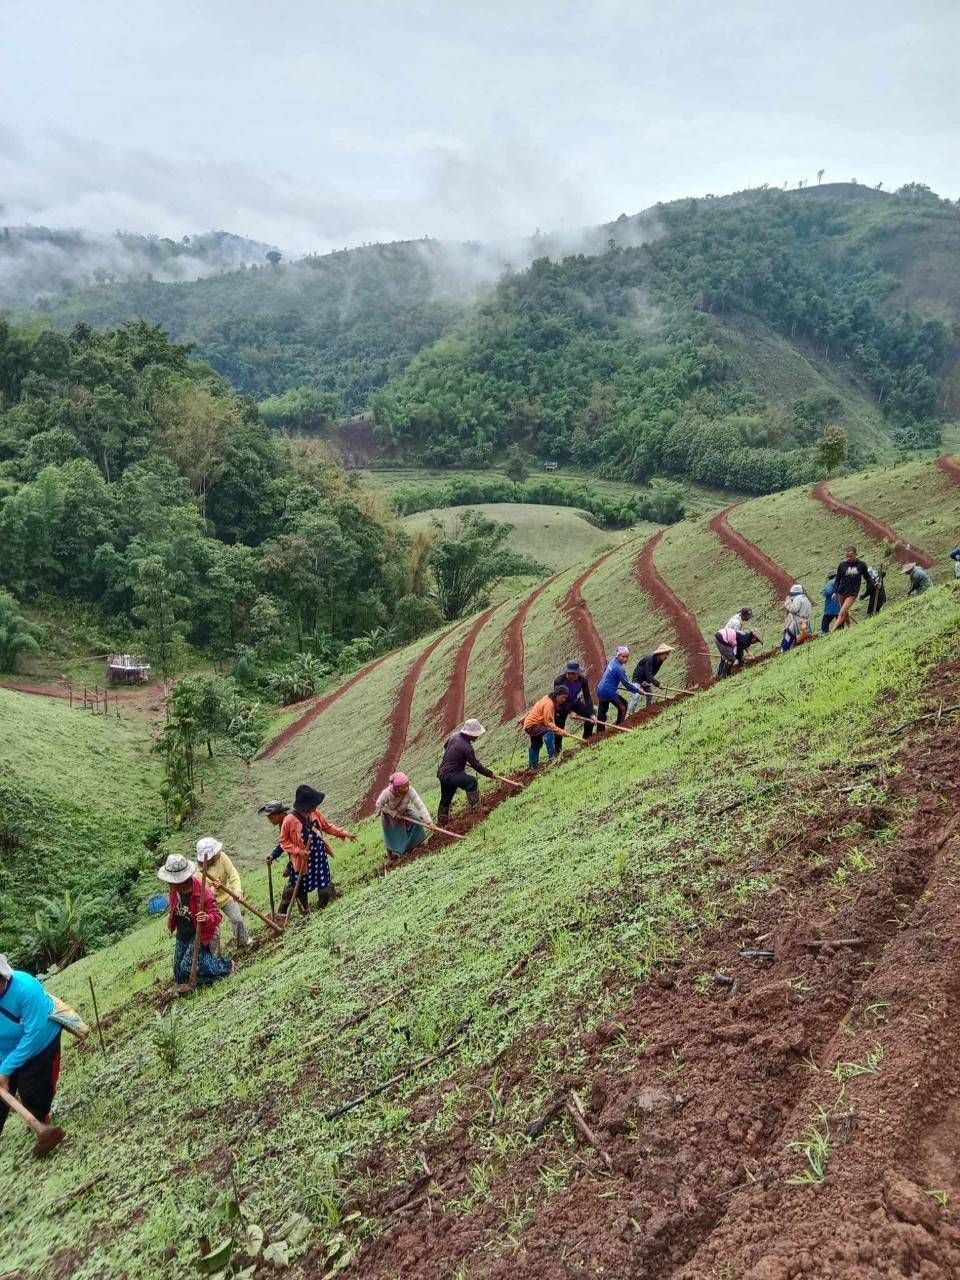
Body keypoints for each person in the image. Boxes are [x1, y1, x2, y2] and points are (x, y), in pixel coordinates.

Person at [0, 954, 64, 1144]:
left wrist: (5, 1070)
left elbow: (34, 1034)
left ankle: (40, 1119)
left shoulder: (26, 989)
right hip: (5, 1048)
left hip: (40, 1042)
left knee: (33, 1094)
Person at [275, 784, 357, 914]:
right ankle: (305, 912)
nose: (316, 806)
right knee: (301, 888)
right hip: (303, 861)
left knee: (324, 888)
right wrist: (299, 851)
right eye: (313, 804)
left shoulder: (315, 813)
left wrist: (344, 833)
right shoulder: (289, 820)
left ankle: (321, 910)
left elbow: (327, 827)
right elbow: (283, 841)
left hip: (319, 858)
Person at [158, 854, 233, 988]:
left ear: (184, 880)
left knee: (187, 965)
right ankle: (200, 981)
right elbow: (174, 906)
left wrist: (206, 917)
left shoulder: (203, 892)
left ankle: (226, 967)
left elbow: (217, 916)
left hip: (198, 934)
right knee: (179, 974)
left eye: (174, 882)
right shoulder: (174, 890)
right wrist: (171, 919)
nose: (171, 885)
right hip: (182, 934)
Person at [195, 837, 250, 953]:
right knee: (214, 932)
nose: (219, 852)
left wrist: (237, 891)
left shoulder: (222, 857)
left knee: (238, 919)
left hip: (226, 896)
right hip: (210, 905)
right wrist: (213, 889)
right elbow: (204, 896)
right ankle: (215, 959)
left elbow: (233, 874)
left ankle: (243, 945)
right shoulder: (198, 874)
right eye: (216, 852)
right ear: (209, 857)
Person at [437, 719, 494, 824]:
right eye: (476, 734)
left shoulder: (454, 736)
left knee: (447, 795)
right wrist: (489, 773)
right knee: (471, 782)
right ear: (470, 734)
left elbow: (446, 746)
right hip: (452, 774)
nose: (477, 736)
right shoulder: (467, 747)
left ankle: (442, 819)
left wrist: (456, 756)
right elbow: (476, 765)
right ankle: (476, 810)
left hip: (442, 773)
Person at [374, 771, 432, 859]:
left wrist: (429, 822)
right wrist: (393, 813)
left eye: (408, 785)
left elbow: (420, 806)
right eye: (404, 787)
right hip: (389, 816)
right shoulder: (387, 793)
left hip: (404, 812)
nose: (407, 788)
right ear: (396, 788)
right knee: (392, 835)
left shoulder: (410, 790)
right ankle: (391, 857)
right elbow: (379, 805)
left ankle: (417, 845)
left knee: (416, 820)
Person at [522, 685, 572, 769]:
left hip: (530, 724)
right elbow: (548, 723)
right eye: (563, 697)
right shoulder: (549, 704)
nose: (564, 700)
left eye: (565, 698)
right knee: (549, 731)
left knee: (536, 744)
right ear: (557, 695)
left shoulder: (547, 698)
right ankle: (552, 758)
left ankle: (533, 767)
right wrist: (561, 731)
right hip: (532, 725)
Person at [596, 646, 640, 729]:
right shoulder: (619, 669)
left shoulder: (612, 661)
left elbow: (605, 670)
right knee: (623, 706)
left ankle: (600, 732)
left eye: (627, 657)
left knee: (602, 712)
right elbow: (626, 684)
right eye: (623, 657)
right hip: (609, 692)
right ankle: (619, 727)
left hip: (600, 689)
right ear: (618, 656)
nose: (625, 659)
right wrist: (638, 690)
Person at [552, 660, 594, 745]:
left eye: (578, 673)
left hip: (574, 702)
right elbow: (558, 700)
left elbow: (587, 697)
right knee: (559, 728)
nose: (577, 675)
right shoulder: (559, 681)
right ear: (569, 673)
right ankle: (557, 750)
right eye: (575, 673)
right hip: (561, 706)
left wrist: (592, 714)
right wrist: (570, 712)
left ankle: (586, 740)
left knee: (589, 718)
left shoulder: (582, 680)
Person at [831, 547, 872, 630]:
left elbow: (867, 577)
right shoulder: (842, 565)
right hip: (841, 592)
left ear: (856, 555)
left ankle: (832, 630)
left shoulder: (862, 565)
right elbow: (837, 579)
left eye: (851, 556)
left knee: (842, 612)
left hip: (852, 593)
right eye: (847, 556)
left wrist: (874, 583)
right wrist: (834, 592)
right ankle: (850, 627)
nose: (848, 558)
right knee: (845, 611)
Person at [631, 644, 673, 708]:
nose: (667, 656)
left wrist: (647, 682)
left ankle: (648, 710)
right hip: (637, 679)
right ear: (660, 653)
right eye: (666, 654)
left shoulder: (660, 661)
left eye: (668, 654)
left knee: (649, 694)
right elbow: (649, 675)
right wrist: (658, 684)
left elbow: (653, 673)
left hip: (645, 680)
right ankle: (630, 715)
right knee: (636, 696)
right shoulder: (650, 659)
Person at [781, 583, 813, 652]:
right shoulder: (805, 598)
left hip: (798, 621)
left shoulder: (798, 598)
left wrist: (787, 602)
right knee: (801, 636)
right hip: (805, 621)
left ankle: (783, 650)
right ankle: (796, 649)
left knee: (789, 635)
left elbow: (794, 609)